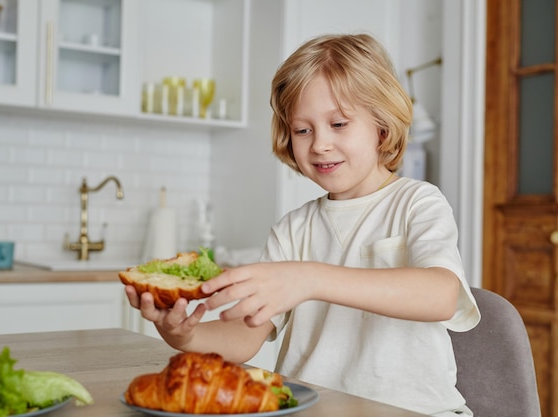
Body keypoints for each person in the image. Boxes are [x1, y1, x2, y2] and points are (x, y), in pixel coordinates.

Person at [125, 33, 480, 417]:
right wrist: (183, 334)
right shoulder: (293, 229)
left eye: (339, 123)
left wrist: (308, 279)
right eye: (303, 130)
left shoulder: (417, 202)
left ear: (382, 127)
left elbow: (441, 295)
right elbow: (244, 337)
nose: (320, 144)